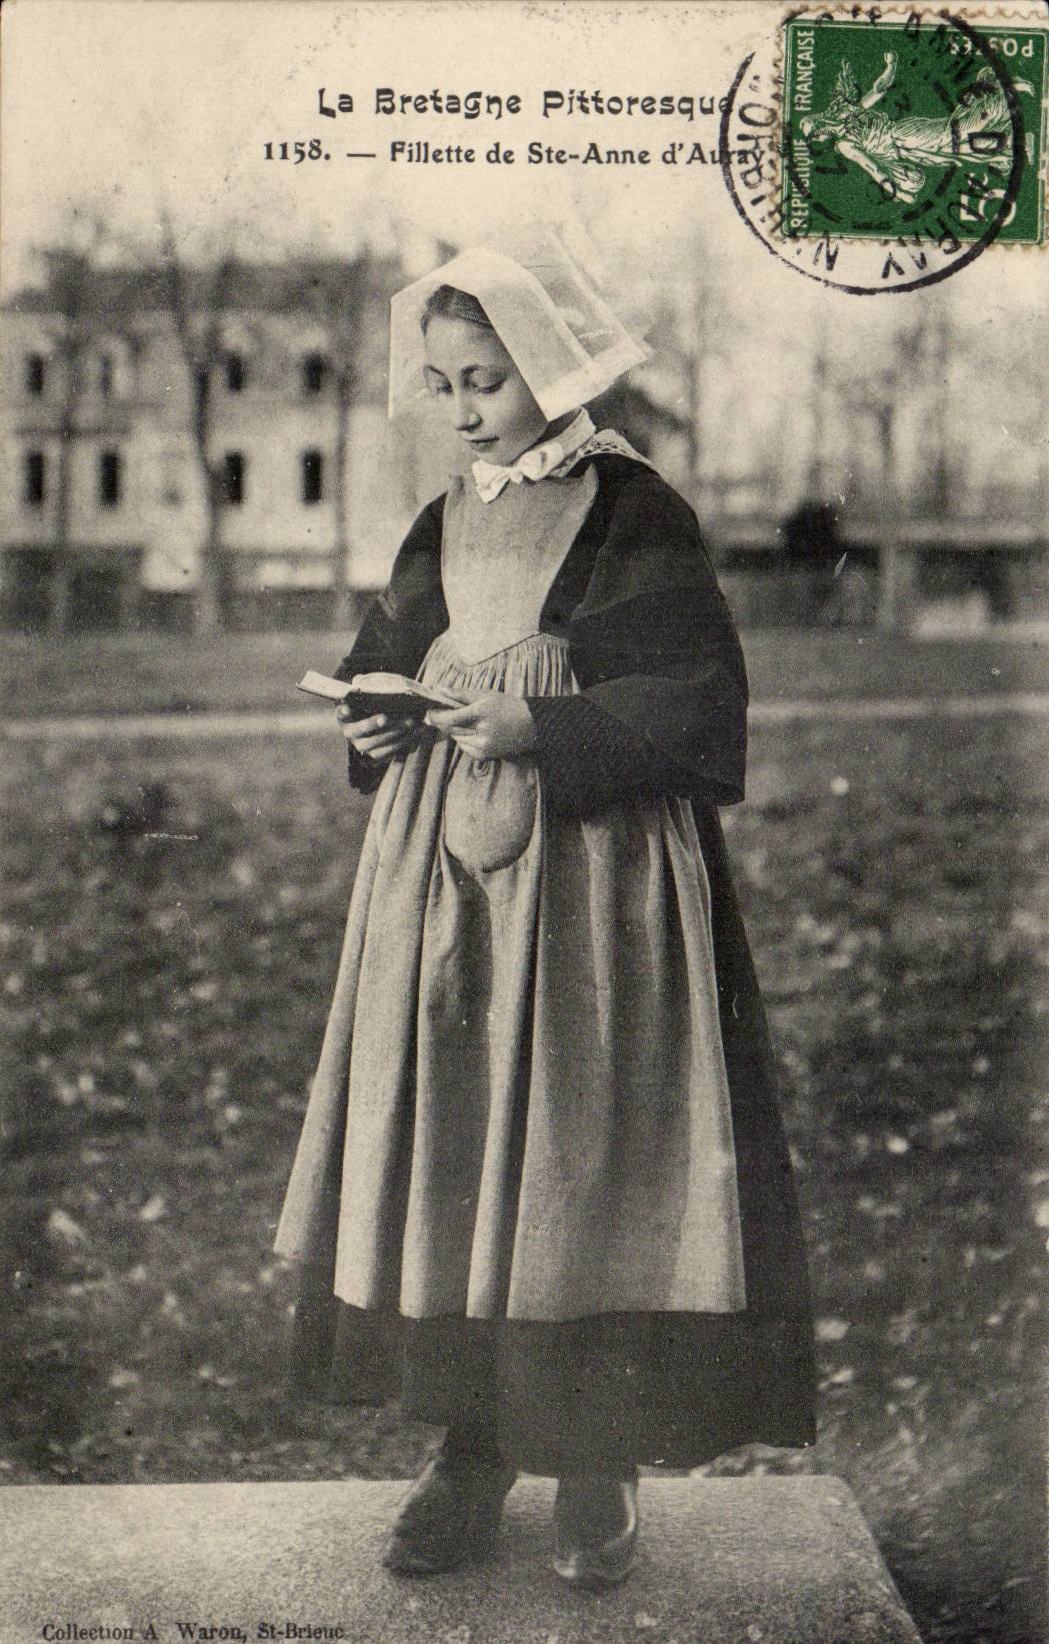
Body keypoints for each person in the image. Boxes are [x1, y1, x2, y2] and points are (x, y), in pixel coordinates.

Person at [274, 231, 816, 1590]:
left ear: (558, 370)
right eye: (444, 383)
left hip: (594, 891)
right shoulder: (443, 511)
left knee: (580, 1142)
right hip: (442, 881)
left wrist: (541, 723)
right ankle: (468, 1448)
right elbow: (385, 652)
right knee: (460, 1140)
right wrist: (379, 723)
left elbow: (693, 699)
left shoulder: (632, 508)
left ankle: (592, 1459)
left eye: (489, 382)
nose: (463, 409)